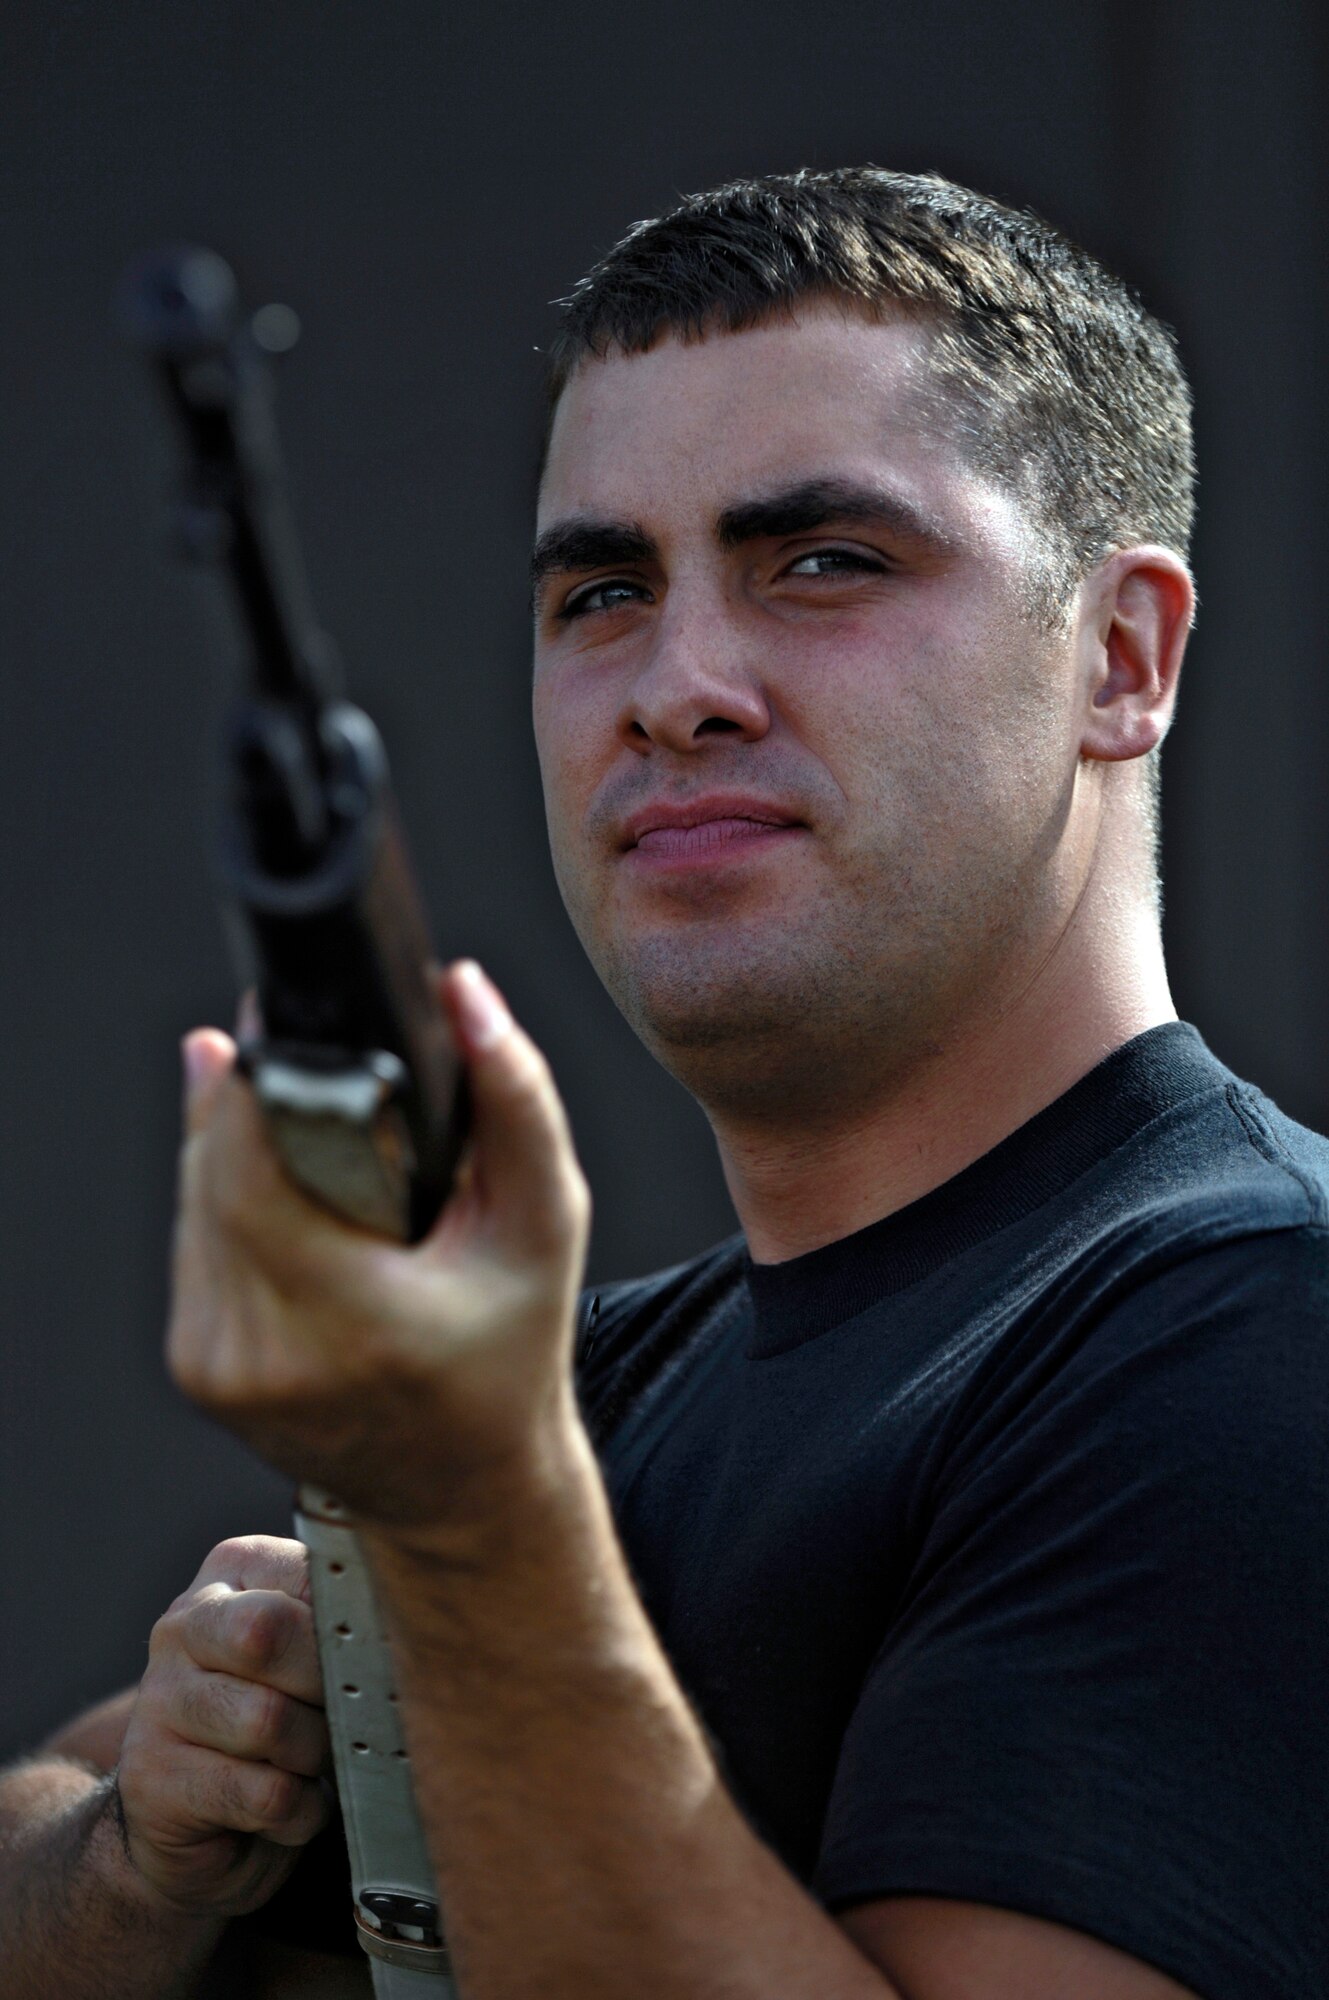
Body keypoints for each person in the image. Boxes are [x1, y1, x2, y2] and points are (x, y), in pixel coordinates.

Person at [2, 167, 1326, 2000]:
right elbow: (45, 1831)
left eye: (825, 562)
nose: (676, 685)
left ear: (1120, 657)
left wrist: (478, 1535)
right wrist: (139, 1848)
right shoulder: (607, 1382)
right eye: (603, 592)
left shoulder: (1255, 1330)